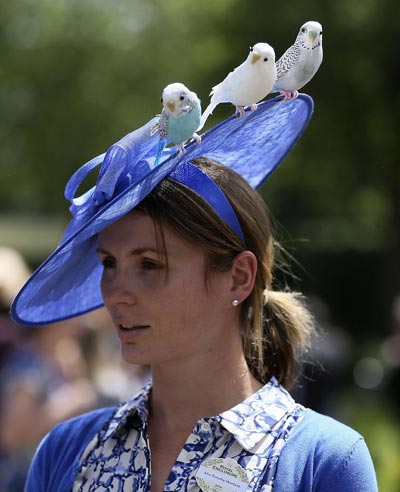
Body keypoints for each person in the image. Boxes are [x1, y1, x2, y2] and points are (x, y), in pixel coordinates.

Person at [11, 94, 377, 491]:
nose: (115, 294)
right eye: (108, 263)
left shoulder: (322, 461)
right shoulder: (66, 450)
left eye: (150, 264)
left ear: (239, 278)